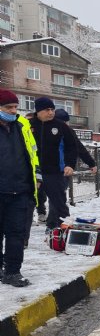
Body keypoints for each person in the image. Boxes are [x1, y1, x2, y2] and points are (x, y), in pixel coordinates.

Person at [0, 90, 40, 287]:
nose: (13, 111)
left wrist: (37, 175)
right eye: (8, 107)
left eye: (15, 107)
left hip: (21, 191)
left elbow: (33, 152)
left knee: (16, 234)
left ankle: (13, 272)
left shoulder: (22, 125)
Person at [29, 97, 76, 231]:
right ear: (38, 111)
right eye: (47, 110)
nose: (50, 112)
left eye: (52, 110)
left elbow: (72, 147)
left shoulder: (60, 126)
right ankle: (23, 237)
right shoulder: (28, 125)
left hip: (54, 172)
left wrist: (69, 164)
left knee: (59, 203)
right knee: (27, 204)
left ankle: (64, 230)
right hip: (32, 173)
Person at [54, 109, 97, 175]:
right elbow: (79, 148)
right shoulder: (67, 131)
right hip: (61, 169)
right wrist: (91, 164)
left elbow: (79, 148)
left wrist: (91, 163)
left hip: (54, 169)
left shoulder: (45, 129)